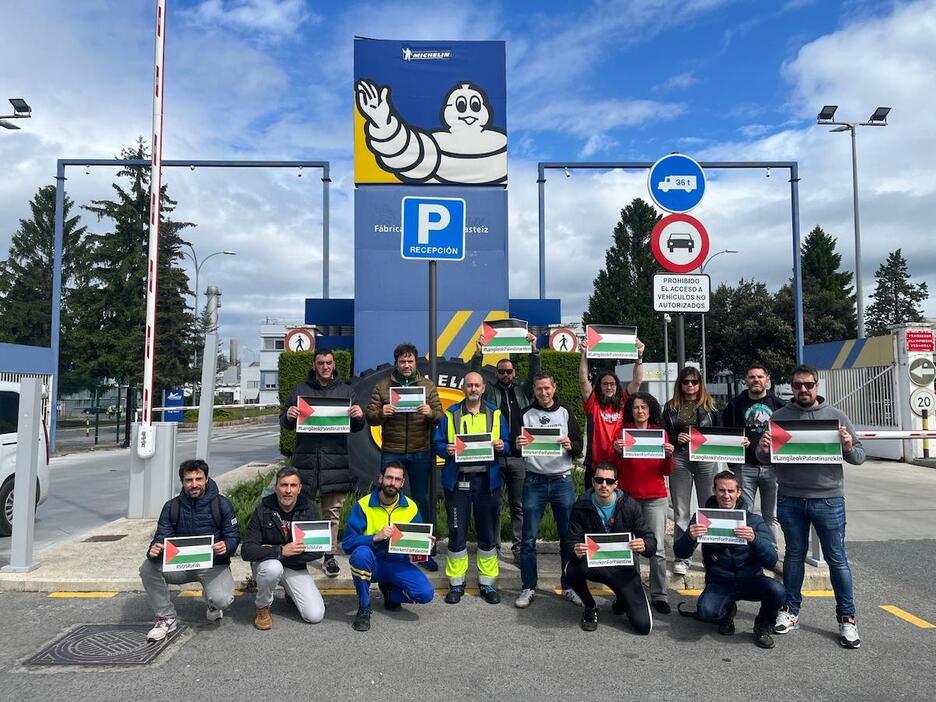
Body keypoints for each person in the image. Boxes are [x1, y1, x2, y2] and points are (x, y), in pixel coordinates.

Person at [756, 364, 866, 649]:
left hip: (828, 499)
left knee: (837, 560)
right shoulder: (779, 417)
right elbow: (764, 458)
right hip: (790, 498)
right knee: (793, 557)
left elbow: (859, 456)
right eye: (797, 385)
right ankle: (790, 611)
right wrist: (764, 449)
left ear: (817, 386)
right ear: (790, 387)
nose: (803, 389)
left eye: (808, 385)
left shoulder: (836, 416)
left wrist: (847, 446)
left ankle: (847, 618)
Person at [674, 470, 785, 649]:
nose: (726, 495)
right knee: (706, 612)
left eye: (731, 491)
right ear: (714, 491)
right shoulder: (702, 518)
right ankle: (726, 613)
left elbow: (771, 559)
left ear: (739, 492)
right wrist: (690, 537)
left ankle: (763, 625)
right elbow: (680, 552)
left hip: (751, 579)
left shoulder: (753, 520)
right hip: (720, 581)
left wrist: (755, 539)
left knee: (778, 591)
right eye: (722, 490)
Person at [281, 348, 365, 577]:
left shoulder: (347, 392)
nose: (325, 367)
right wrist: (288, 416)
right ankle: (301, 553)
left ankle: (329, 556)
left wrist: (360, 416)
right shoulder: (300, 390)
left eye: (329, 363)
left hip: (335, 461)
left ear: (334, 364)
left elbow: (357, 426)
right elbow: (285, 422)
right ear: (314, 365)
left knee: (332, 513)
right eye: (321, 363)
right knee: (301, 510)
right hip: (305, 460)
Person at [140, 459, 240, 642]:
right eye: (189, 480)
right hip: (181, 565)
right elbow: (161, 536)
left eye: (198, 479)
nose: (194, 484)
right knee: (147, 567)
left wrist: (227, 546)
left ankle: (212, 603)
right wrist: (154, 550)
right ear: (182, 482)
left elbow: (233, 536)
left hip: (213, 565)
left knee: (222, 600)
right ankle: (166, 617)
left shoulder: (222, 504)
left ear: (206, 479)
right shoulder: (171, 507)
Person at [366, 342, 443, 570]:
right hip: (392, 450)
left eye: (410, 361)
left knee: (420, 500)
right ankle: (385, 546)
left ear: (415, 362)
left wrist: (430, 413)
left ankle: (423, 550)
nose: (407, 365)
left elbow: (440, 415)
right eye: (402, 361)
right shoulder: (382, 386)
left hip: (420, 451)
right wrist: (381, 413)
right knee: (387, 498)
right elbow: (370, 417)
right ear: (396, 363)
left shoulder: (427, 386)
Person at [434, 371, 509, 604]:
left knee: (487, 534)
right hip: (458, 482)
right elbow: (437, 443)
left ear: (483, 388)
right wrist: (445, 449)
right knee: (457, 533)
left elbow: (507, 444)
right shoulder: (450, 414)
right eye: (469, 385)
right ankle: (456, 584)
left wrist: (501, 445)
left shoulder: (496, 414)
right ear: (463, 388)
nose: (473, 389)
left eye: (477, 385)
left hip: (487, 482)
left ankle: (487, 583)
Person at [514, 372, 583, 609]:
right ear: (533, 390)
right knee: (528, 538)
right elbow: (515, 446)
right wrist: (518, 444)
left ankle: (569, 586)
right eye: (539, 389)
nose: (543, 392)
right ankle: (528, 587)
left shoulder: (566, 412)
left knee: (568, 537)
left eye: (547, 388)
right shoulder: (525, 414)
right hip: (534, 481)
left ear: (554, 388)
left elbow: (578, 444)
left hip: (562, 480)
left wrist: (571, 445)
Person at [470, 332, 539, 563]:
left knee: (518, 506)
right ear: (497, 373)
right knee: (495, 506)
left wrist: (534, 351)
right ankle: (495, 548)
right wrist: (478, 353)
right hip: (495, 456)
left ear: (514, 373)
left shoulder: (523, 391)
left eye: (509, 371)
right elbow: (475, 375)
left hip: (519, 457)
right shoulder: (489, 391)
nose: (506, 374)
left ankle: (518, 550)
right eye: (501, 371)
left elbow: (535, 375)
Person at [342, 461, 435, 632]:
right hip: (373, 562)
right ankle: (364, 607)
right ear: (380, 478)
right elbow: (348, 544)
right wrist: (375, 537)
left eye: (397, 479)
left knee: (425, 594)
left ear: (402, 483)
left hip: (397, 563)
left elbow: (416, 551)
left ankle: (391, 593)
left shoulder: (411, 507)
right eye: (389, 478)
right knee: (360, 555)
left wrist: (425, 546)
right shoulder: (363, 505)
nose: (392, 483)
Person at [566, 463, 657, 634]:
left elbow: (650, 539)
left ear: (616, 484)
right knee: (571, 569)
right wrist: (575, 549)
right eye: (599, 480)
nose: (604, 485)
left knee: (644, 627)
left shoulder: (630, 506)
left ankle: (622, 597)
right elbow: (571, 541)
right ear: (593, 482)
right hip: (595, 564)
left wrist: (644, 545)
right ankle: (590, 606)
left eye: (609, 481)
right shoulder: (581, 506)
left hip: (623, 568)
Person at [241, 466, 326, 630]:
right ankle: (262, 607)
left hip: (294, 566)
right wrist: (280, 551)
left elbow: (317, 551)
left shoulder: (309, 510)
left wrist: (275, 551)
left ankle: (290, 591)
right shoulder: (263, 510)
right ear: (275, 487)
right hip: (267, 566)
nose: (288, 490)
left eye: (293, 485)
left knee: (314, 615)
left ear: (299, 488)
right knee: (273, 568)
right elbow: (247, 550)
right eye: (283, 485)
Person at [614, 392, 674, 614]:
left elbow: (666, 470)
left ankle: (659, 594)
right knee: (630, 547)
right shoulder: (623, 433)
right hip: (629, 496)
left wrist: (669, 455)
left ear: (650, 410)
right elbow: (616, 468)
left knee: (657, 548)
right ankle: (632, 593)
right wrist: (617, 452)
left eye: (644, 407)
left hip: (655, 497)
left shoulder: (660, 433)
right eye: (636, 407)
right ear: (631, 410)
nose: (640, 411)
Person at [663, 365, 721, 576]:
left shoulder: (711, 407)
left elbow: (721, 434)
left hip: (705, 459)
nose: (690, 385)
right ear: (680, 384)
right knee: (681, 511)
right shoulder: (670, 407)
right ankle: (682, 556)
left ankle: (710, 556)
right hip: (680, 458)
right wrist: (674, 438)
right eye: (686, 381)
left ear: (700, 384)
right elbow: (663, 434)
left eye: (694, 382)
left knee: (709, 508)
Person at [722, 364, 785, 550]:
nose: (756, 380)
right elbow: (726, 433)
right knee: (744, 512)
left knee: (771, 515)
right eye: (752, 377)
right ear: (745, 380)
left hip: (772, 469)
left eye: (759, 376)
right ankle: (746, 551)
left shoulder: (780, 405)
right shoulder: (734, 405)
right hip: (745, 467)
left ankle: (771, 551)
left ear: (767, 380)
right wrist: (733, 457)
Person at [578, 336, 644, 486]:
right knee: (593, 500)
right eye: (605, 384)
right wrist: (583, 355)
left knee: (619, 500)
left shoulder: (624, 402)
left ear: (617, 386)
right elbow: (583, 381)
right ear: (599, 387)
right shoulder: (593, 403)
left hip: (620, 463)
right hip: (596, 465)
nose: (609, 387)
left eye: (612, 384)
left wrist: (639, 356)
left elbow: (637, 381)